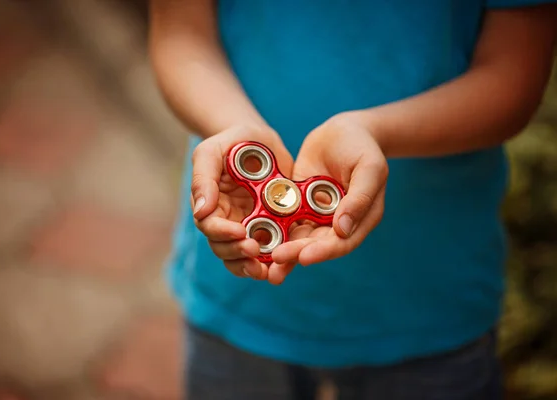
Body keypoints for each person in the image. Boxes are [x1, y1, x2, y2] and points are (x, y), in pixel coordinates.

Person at [149, 1, 557, 399]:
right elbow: (182, 32)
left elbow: (515, 79)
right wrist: (235, 130)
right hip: (240, 292)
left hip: (427, 294)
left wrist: (375, 131)